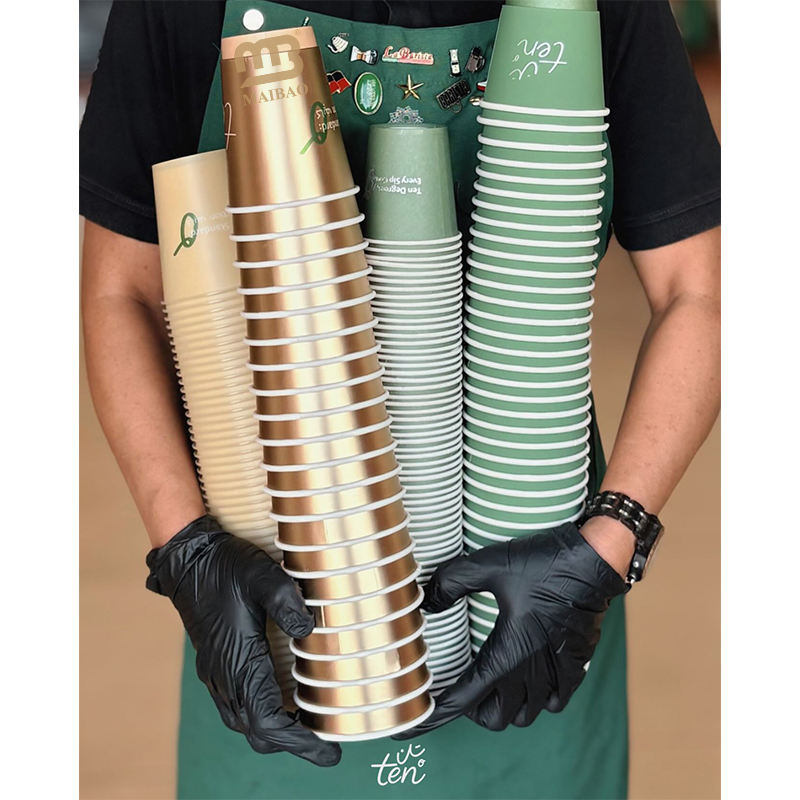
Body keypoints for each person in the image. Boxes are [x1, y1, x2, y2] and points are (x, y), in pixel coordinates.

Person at [80, 1, 720, 797]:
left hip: (538, 580)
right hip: (276, 593)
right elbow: (119, 292)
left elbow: (698, 292)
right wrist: (188, 550)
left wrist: (610, 543)